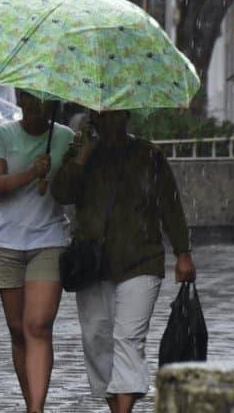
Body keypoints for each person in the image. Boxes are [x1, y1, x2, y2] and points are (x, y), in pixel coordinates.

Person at [51, 110, 196, 413]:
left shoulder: (149, 155)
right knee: (96, 338)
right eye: (101, 114)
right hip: (93, 263)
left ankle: (124, 409)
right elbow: (61, 192)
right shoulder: (81, 153)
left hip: (141, 259)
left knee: (129, 338)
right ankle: (116, 403)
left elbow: (170, 205)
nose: (107, 120)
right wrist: (81, 157)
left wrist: (183, 253)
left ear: (128, 115)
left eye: (115, 114)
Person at [0, 91, 74, 413]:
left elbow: (75, 188)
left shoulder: (65, 138)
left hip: (48, 241)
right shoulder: (0, 135)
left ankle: (36, 408)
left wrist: (82, 157)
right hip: (6, 243)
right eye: (29, 99)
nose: (36, 106)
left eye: (42, 100)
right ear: (21, 99)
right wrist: (31, 174)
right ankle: (30, 401)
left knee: (37, 325)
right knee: (18, 329)